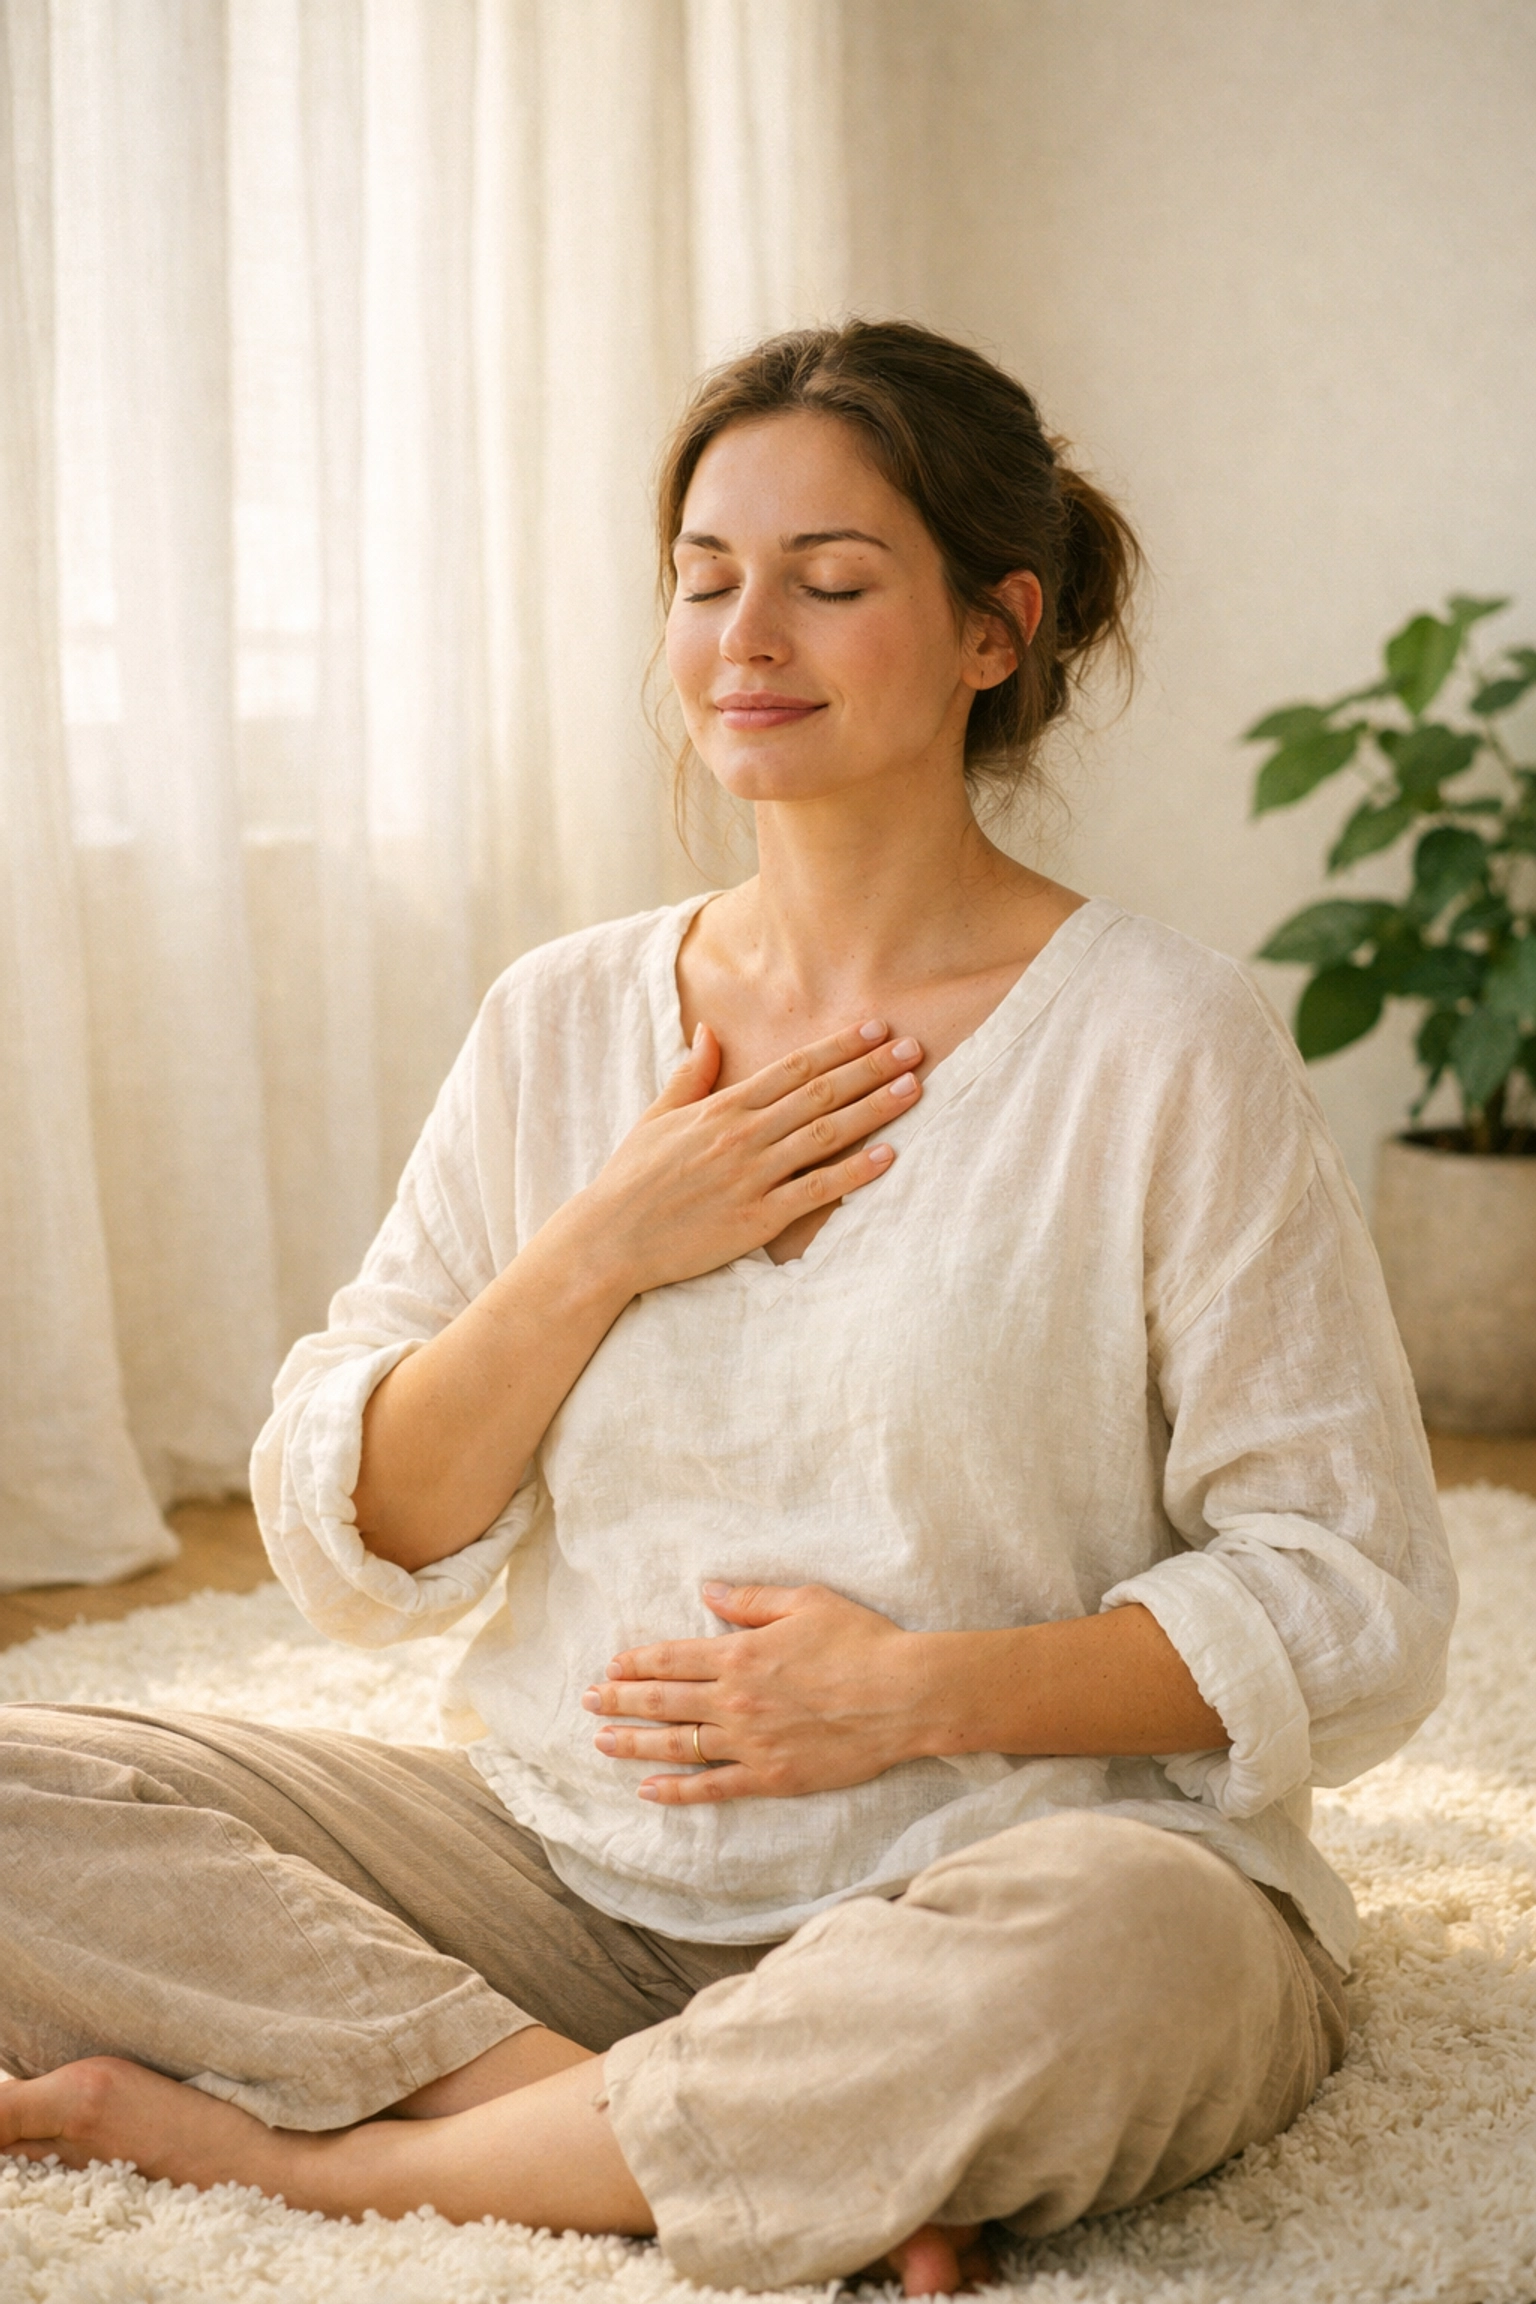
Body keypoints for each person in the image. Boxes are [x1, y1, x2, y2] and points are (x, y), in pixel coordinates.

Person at [0, 321, 1455, 2297]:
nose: (744, 637)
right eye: (704, 579)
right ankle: (665, 2125)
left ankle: (343, 2166)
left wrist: (917, 1693)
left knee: (1151, 1954)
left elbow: (1349, 1587)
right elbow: (366, 1533)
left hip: (1008, 1876)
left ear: (995, 629)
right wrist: (603, 1242)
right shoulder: (560, 1021)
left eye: (829, 582)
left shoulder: (1163, 1042)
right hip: (564, 1877)